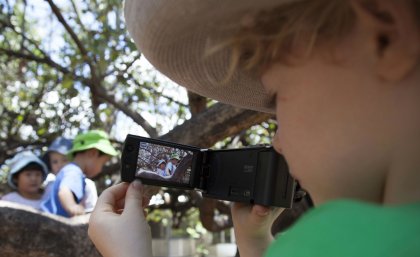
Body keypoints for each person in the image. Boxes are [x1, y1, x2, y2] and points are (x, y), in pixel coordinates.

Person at [89, 0, 420, 257]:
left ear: (385, 36)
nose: (276, 141)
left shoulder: (338, 236)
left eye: (277, 99)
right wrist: (255, 244)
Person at [41, 130, 117, 217]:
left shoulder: (70, 170)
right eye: (102, 164)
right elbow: (64, 191)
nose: (101, 170)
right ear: (93, 153)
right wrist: (72, 206)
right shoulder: (74, 171)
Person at [43, 136, 99, 213]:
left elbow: (91, 210)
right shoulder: (49, 185)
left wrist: (73, 207)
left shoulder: (88, 185)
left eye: (65, 160)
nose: (59, 165)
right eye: (55, 162)